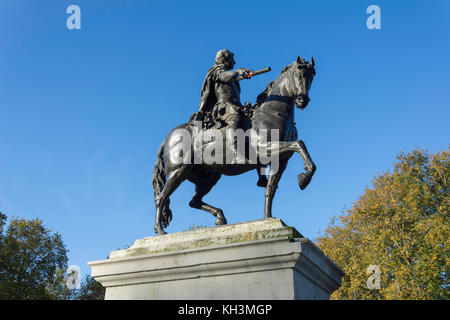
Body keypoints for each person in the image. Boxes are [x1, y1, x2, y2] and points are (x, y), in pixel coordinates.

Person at [193, 49, 268, 187]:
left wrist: (239, 74)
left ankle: (262, 175)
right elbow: (223, 77)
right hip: (224, 108)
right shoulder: (217, 71)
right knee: (235, 120)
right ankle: (235, 154)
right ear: (225, 59)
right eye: (232, 59)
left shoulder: (230, 76)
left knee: (257, 129)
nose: (234, 62)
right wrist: (238, 71)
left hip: (237, 106)